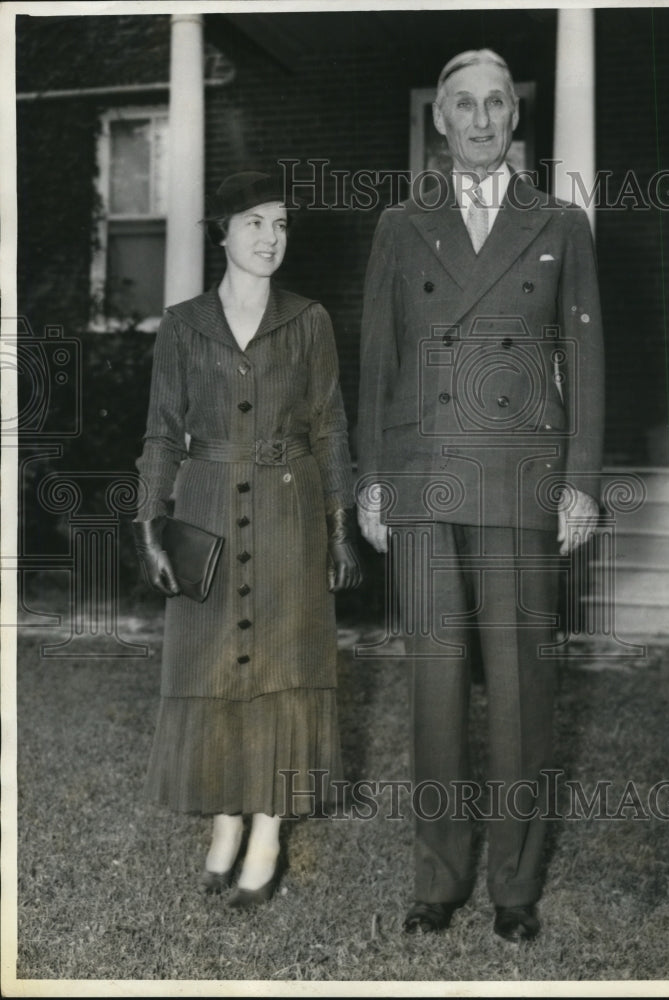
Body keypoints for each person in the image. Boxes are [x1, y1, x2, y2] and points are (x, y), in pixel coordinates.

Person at [357, 50, 604, 941]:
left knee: (522, 684)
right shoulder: (400, 224)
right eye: (462, 105)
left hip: (520, 477)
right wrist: (371, 479)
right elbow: (377, 358)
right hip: (423, 475)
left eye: (495, 103)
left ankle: (514, 886)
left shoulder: (560, 222)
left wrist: (580, 483)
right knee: (433, 689)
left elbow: (587, 358)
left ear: (515, 116)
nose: (480, 119)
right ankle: (439, 877)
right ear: (439, 120)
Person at [133, 170, 361, 908]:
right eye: (254, 222)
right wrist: (149, 524)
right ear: (221, 233)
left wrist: (340, 525)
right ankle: (225, 817)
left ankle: (268, 829)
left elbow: (330, 427)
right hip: (204, 509)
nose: (270, 237)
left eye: (281, 224)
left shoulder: (309, 320)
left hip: (290, 509)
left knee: (284, 665)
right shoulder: (183, 324)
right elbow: (161, 433)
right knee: (213, 662)